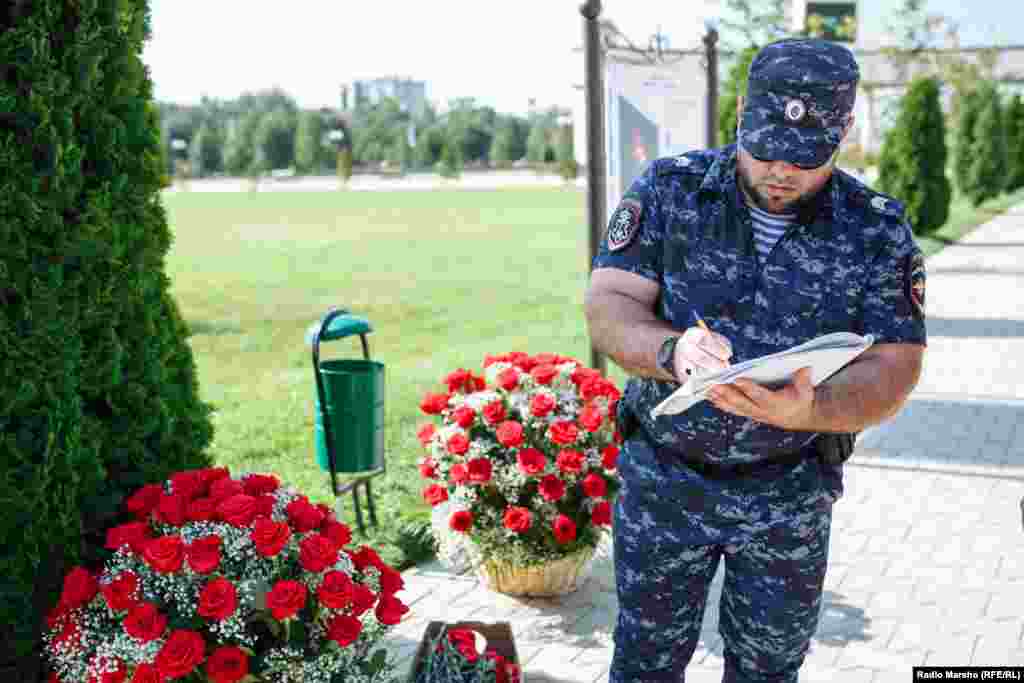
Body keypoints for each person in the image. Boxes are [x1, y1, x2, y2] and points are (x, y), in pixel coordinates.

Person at [584, 38, 927, 683]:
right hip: (665, 481)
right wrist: (671, 350)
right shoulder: (671, 189)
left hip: (787, 493)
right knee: (643, 665)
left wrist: (814, 408)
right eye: (765, 148)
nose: (781, 171)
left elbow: (896, 365)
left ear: (844, 131)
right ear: (742, 111)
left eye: (804, 157)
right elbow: (610, 304)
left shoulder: (876, 228)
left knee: (768, 672)